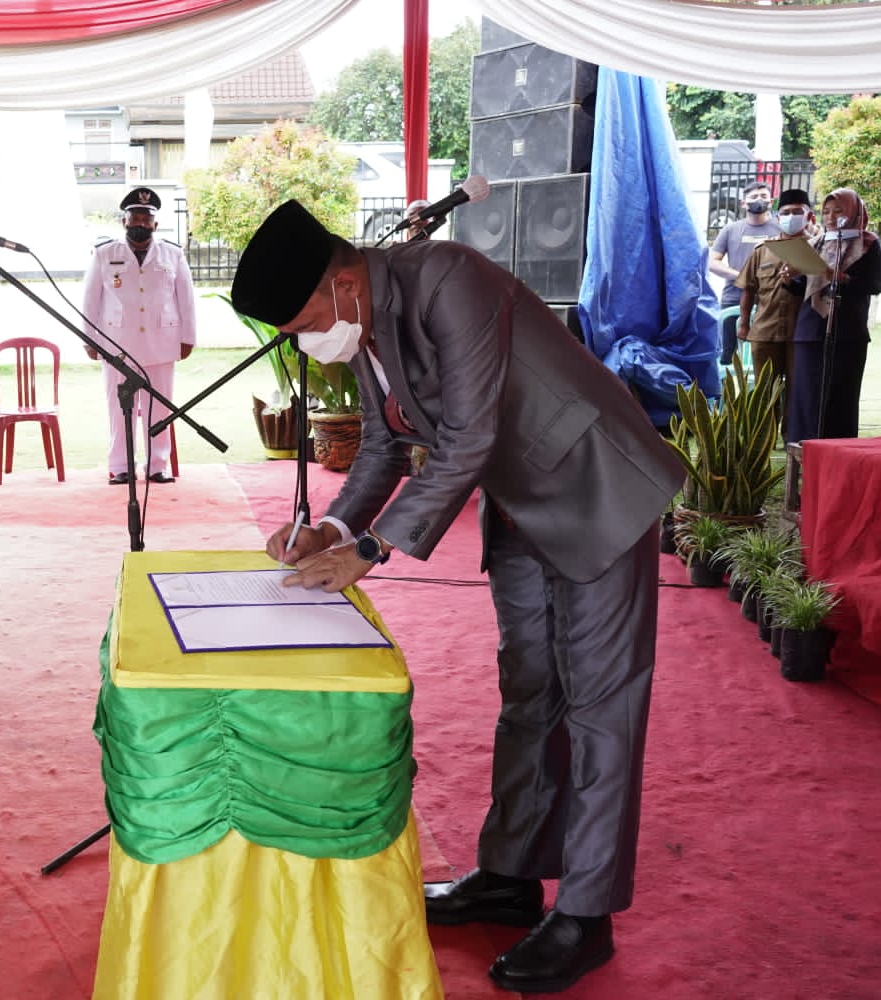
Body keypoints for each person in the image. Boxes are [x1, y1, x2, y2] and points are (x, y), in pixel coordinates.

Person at [230, 200, 684, 994]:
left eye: (304, 320)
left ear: (343, 281)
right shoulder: (365, 326)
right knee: (529, 692)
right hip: (516, 502)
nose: (305, 341)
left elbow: (468, 433)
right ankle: (509, 876)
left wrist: (372, 550)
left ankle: (586, 914)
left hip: (595, 487)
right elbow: (384, 443)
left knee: (600, 707)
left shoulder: (445, 279)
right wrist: (332, 527)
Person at [80, 186, 196, 485]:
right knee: (119, 408)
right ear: (124, 222)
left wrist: (188, 337)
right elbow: (91, 299)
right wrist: (88, 339)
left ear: (155, 224)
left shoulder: (173, 254)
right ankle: (121, 466)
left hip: (162, 342)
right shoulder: (105, 254)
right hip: (117, 344)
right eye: (135, 218)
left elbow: (186, 298)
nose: (140, 224)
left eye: (146, 219)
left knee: (160, 406)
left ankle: (158, 465)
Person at [786, 187, 881, 443]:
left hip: (846, 334)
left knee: (839, 397)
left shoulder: (868, 243)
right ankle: (804, 452)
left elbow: (873, 285)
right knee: (806, 398)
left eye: (838, 210)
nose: (830, 216)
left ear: (853, 212)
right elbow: (808, 287)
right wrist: (790, 278)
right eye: (826, 211)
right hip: (809, 331)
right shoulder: (817, 242)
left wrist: (841, 277)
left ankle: (837, 454)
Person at [734, 188, 815, 443]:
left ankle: (792, 439)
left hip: (800, 334)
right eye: (786, 213)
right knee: (764, 391)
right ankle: (763, 441)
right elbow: (748, 289)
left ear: (809, 216)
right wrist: (744, 323)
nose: (791, 217)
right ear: (778, 217)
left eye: (797, 212)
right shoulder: (763, 250)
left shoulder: (817, 249)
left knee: (796, 391)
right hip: (765, 332)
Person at [709, 182, 781, 366]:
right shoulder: (731, 229)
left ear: (771, 201)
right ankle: (724, 393)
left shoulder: (780, 229)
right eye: (754, 197)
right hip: (733, 297)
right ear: (744, 203)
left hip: (770, 300)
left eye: (764, 197)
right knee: (727, 355)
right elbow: (712, 262)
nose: (759, 200)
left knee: (766, 355)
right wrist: (741, 275)